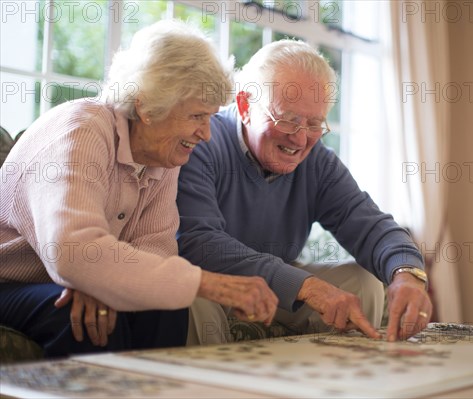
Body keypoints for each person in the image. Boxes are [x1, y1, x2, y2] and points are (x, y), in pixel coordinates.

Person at [0, 20, 278, 358]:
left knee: (165, 306)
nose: (205, 134)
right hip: (10, 282)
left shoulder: (161, 155)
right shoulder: (81, 130)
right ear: (146, 106)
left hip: (62, 276)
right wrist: (213, 285)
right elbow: (73, 251)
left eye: (210, 117)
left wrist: (103, 280)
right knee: (80, 319)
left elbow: (155, 253)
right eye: (196, 116)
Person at [177, 40, 432, 345]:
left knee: (362, 282)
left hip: (276, 288)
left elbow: (369, 224)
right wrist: (306, 286)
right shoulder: (203, 141)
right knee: (191, 296)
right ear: (245, 106)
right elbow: (199, 243)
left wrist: (408, 274)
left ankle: (336, 388)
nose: (300, 139)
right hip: (214, 285)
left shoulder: (317, 162)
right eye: (288, 119)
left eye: (314, 123)